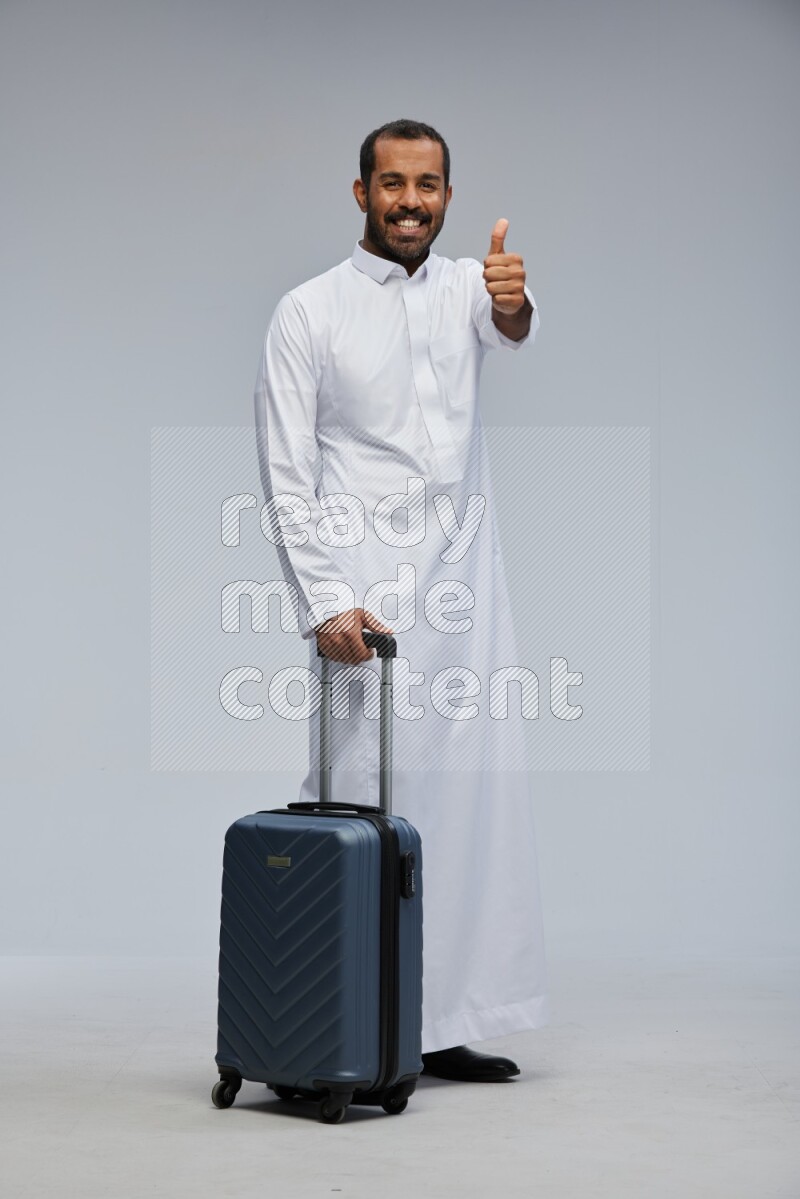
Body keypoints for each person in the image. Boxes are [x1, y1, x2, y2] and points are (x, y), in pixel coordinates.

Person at [254, 119, 548, 1082]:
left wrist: (515, 300)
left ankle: (443, 1019)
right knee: (368, 798)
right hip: (365, 594)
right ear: (360, 193)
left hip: (464, 585)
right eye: (392, 183)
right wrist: (325, 599)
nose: (410, 201)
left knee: (467, 805)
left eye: (427, 186)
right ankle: (358, 1016)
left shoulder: (470, 285)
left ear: (448, 198)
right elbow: (287, 474)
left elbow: (511, 320)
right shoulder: (310, 311)